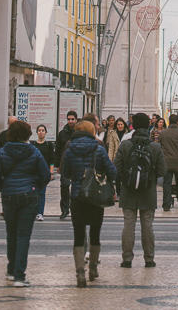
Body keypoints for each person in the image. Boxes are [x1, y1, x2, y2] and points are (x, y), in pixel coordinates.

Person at [0, 119, 51, 287]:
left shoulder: (3, 152)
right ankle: (19, 275)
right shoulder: (34, 151)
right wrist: (35, 187)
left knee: (11, 234)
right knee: (23, 235)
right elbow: (46, 175)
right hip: (29, 196)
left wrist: (5, 188)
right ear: (27, 134)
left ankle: (11, 270)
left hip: (9, 196)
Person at [61, 119, 117, 287]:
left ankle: (79, 273)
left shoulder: (70, 150)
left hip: (77, 196)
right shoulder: (99, 149)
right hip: (95, 196)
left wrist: (79, 178)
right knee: (95, 233)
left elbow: (65, 173)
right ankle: (93, 268)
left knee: (78, 235)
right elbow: (112, 172)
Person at [114, 112, 167, 268]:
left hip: (128, 190)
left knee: (128, 225)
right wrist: (149, 176)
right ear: (148, 125)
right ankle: (149, 259)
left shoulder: (125, 145)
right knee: (147, 226)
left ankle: (127, 259)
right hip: (148, 190)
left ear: (133, 126)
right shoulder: (155, 146)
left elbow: (116, 167)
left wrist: (127, 177)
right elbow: (163, 171)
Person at [54, 110, 77, 219]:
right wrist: (58, 164)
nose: (70, 121)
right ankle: (64, 209)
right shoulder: (62, 133)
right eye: (69, 119)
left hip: (76, 163)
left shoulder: (78, 132)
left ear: (76, 120)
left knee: (76, 187)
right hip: (65, 164)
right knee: (64, 185)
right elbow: (58, 149)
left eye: (72, 119)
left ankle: (75, 209)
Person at [31, 124, 55, 220]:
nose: (41, 132)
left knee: (42, 193)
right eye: (39, 130)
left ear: (45, 132)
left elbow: (51, 159)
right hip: (34, 172)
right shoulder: (33, 144)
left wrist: (51, 172)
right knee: (33, 193)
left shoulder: (48, 145)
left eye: (43, 130)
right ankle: (33, 211)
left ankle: (40, 212)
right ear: (37, 132)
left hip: (44, 172)